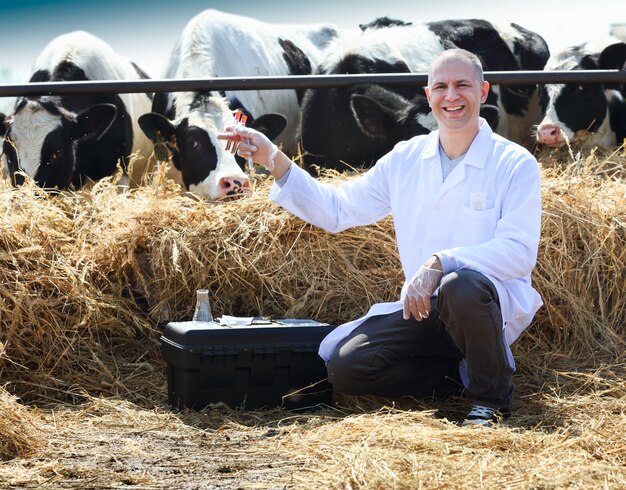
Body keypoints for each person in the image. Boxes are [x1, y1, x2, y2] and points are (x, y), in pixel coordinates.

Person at [218, 48, 543, 426]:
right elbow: (338, 209)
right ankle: (457, 377)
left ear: (483, 92)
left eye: (462, 85)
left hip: (481, 308)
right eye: (441, 86)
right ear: (428, 95)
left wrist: (441, 262)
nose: (451, 96)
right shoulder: (404, 160)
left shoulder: (514, 163)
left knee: (461, 284)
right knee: (347, 366)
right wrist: (273, 158)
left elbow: (519, 252)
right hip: (422, 309)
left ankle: (491, 399)